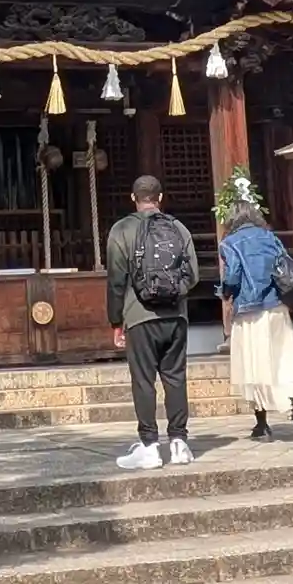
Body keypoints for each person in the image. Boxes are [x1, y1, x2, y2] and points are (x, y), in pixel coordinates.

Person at [106, 174, 198, 469]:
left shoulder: (122, 230)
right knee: (175, 377)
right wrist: (172, 295)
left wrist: (116, 321)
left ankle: (149, 446)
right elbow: (194, 275)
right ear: (161, 198)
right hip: (176, 317)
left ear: (133, 198)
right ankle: (179, 443)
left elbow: (116, 281)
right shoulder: (179, 228)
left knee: (143, 380)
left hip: (139, 316)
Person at [217, 201, 293, 441]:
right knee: (283, 358)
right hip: (276, 305)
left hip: (249, 310)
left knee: (254, 365)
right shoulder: (270, 237)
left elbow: (233, 276)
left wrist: (225, 292)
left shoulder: (230, 243)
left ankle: (262, 423)